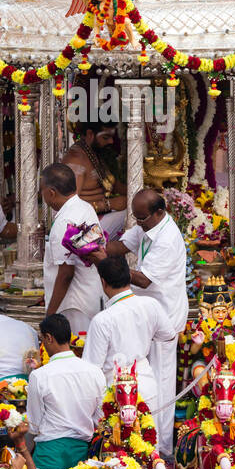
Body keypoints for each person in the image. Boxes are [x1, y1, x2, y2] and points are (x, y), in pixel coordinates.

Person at [100, 187, 188, 415]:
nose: (138, 223)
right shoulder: (147, 224)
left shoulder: (167, 238)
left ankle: (161, 444)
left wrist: (112, 268)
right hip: (143, 314)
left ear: (159, 212)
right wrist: (91, 247)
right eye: (136, 218)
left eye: (142, 218)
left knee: (160, 384)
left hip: (164, 318)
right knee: (142, 379)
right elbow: (120, 246)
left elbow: (145, 280)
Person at [82, 257, 176, 455]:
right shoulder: (150, 305)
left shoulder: (102, 320)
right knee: (149, 446)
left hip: (114, 390)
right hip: (144, 382)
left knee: (119, 452)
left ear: (103, 282)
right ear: (129, 276)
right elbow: (169, 335)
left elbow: (91, 368)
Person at [26, 312, 104, 469]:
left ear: (49, 338)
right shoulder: (95, 372)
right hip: (82, 455)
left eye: (42, 340)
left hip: (49, 454)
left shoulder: (39, 375)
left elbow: (34, 424)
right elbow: (100, 418)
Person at [39, 162, 102, 333]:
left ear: (51, 193)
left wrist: (49, 315)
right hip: (90, 296)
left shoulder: (64, 221)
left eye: (42, 190)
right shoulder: (85, 208)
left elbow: (66, 273)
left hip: (73, 304)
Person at [62, 121, 128, 238]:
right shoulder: (76, 159)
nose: (111, 142)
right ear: (90, 134)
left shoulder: (93, 153)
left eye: (111, 137)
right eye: (105, 137)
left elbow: (113, 185)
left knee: (141, 208)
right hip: (82, 229)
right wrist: (109, 204)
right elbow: (69, 206)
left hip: (99, 218)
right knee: (132, 215)